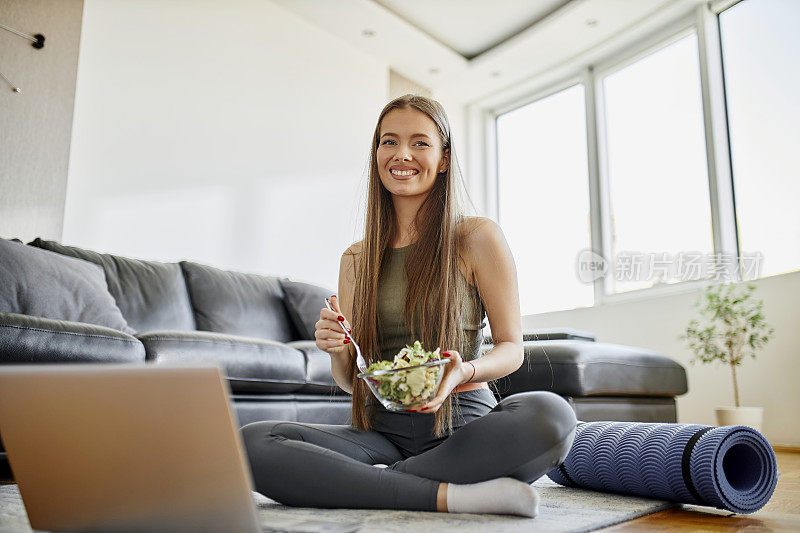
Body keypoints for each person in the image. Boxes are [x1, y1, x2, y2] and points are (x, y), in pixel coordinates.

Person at [241, 94, 577, 517]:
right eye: (389, 142)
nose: (402, 154)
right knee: (254, 441)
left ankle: (376, 482)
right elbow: (351, 381)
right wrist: (338, 348)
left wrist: (463, 372)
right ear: (376, 154)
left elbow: (512, 348)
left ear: (442, 159)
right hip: (381, 432)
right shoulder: (356, 260)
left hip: (463, 425)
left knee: (552, 415)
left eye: (420, 143)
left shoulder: (476, 237)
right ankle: (447, 494)